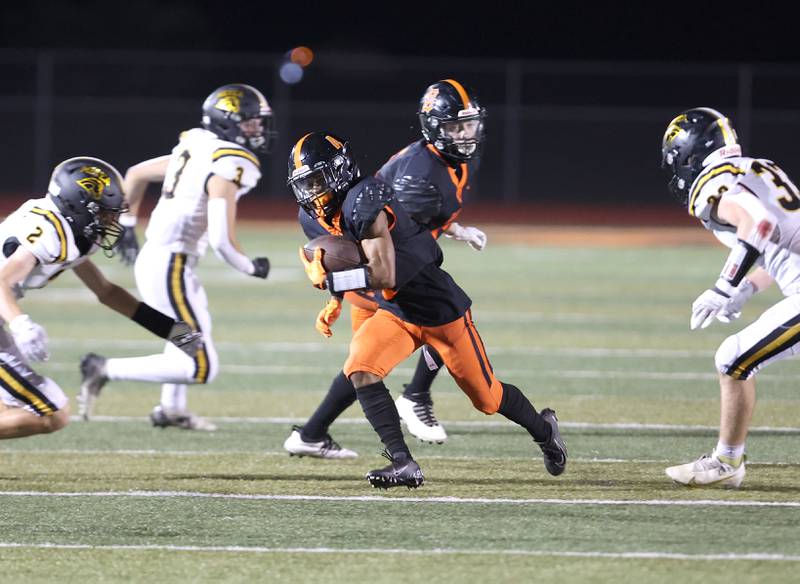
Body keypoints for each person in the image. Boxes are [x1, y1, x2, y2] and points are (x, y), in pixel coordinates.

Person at [287, 131, 566, 488]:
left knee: (487, 397)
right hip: (396, 310)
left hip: (439, 309)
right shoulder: (312, 217)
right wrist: (335, 299)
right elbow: (353, 263)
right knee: (360, 369)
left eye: (318, 180)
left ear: (340, 171)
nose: (312, 192)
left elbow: (382, 271)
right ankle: (403, 462)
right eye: (305, 184)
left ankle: (545, 431)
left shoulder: (365, 199)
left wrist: (331, 282)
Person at [283, 79, 488, 458]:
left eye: (467, 124)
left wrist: (454, 228)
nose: (465, 133)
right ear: (434, 126)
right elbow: (396, 238)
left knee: (366, 361)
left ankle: (311, 434)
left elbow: (417, 226)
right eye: (456, 126)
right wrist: (339, 284)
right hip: (377, 271)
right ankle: (415, 397)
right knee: (441, 319)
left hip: (382, 267)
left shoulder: (446, 161)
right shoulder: (419, 172)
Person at [78, 84, 275, 430]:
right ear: (228, 122)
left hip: (166, 261)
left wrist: (126, 224)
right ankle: (103, 368)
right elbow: (221, 239)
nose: (257, 129)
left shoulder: (199, 147)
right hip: (171, 265)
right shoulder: (227, 160)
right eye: (250, 122)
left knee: (185, 335)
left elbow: (137, 172)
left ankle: (170, 408)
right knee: (201, 365)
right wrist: (250, 266)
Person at [0, 157, 201, 440]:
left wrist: (171, 330)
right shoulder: (50, 232)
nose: (112, 220)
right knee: (50, 411)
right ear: (78, 206)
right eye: (105, 212)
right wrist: (21, 323)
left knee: (11, 406)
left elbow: (105, 291)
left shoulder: (74, 232)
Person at [662, 107, 800, 488]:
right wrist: (748, 287)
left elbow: (760, 225)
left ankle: (726, 462)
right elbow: (782, 244)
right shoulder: (757, 168)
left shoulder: (713, 182)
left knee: (733, 359)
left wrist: (724, 286)